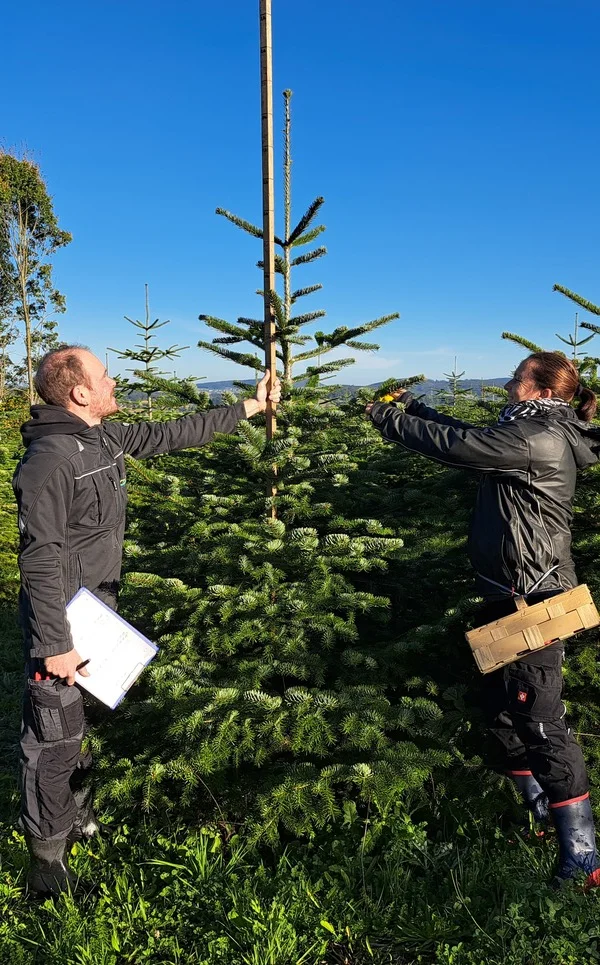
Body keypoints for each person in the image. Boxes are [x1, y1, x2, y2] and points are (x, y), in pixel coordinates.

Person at [13, 345, 281, 896]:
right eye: (105, 376)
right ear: (80, 393)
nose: (115, 382)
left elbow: (169, 434)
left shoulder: (99, 438)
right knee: (53, 737)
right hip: (64, 624)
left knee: (84, 728)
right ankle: (46, 865)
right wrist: (53, 643)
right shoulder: (52, 459)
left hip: (97, 613)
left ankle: (77, 822)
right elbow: (38, 555)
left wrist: (249, 409)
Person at [367, 352, 600, 888]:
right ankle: (540, 819)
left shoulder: (537, 439)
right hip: (508, 597)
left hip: (534, 601)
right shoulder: (525, 429)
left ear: (540, 390)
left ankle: (584, 856)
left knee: (541, 722)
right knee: (501, 711)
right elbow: (469, 433)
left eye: (518, 377)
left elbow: (459, 448)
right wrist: (414, 407)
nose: (508, 384)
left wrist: (392, 421)